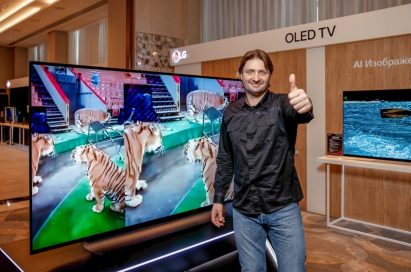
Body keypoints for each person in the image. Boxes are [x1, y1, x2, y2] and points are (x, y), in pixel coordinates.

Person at [211, 49, 314, 272]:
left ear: (269, 75)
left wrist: (305, 104)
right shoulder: (230, 112)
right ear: (240, 74)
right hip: (244, 212)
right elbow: (226, 157)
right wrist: (218, 198)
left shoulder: (283, 104)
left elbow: (300, 112)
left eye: (262, 72)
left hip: (283, 208)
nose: (256, 77)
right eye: (250, 72)